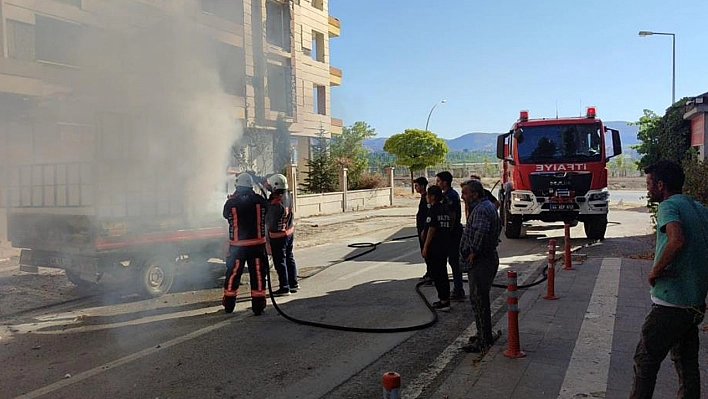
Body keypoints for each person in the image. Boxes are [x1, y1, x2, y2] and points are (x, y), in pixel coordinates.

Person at [629, 160, 708, 399]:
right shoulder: (699, 208)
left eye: (649, 183)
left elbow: (676, 239)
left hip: (670, 303)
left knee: (645, 361)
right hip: (694, 302)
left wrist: (655, 271)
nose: (648, 189)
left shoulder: (668, 206)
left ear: (661, 185)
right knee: (687, 364)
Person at [459, 179, 502, 353]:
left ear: (475, 194)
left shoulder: (481, 210)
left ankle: (483, 341)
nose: (463, 197)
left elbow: (481, 232)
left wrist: (473, 252)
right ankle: (484, 334)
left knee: (479, 301)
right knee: (480, 300)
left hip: (481, 262)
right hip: (485, 259)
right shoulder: (485, 206)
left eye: (465, 193)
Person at [222, 173, 270, 315]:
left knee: (233, 275)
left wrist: (232, 199)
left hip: (238, 247)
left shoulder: (231, 203)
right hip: (257, 246)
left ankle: (229, 305)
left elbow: (226, 215)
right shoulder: (260, 201)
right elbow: (267, 211)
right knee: (258, 275)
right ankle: (258, 306)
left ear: (237, 186)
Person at [266, 173, 299, 296]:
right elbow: (274, 189)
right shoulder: (288, 195)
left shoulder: (275, 204)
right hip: (289, 233)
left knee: (280, 261)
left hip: (278, 236)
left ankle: (284, 288)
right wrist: (261, 181)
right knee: (289, 257)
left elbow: (268, 218)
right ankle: (293, 283)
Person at [435, 171, 465, 301]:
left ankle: (458, 290)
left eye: (439, 181)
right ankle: (458, 289)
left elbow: (452, 216)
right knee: (452, 261)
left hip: (453, 233)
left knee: (454, 261)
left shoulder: (451, 196)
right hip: (451, 232)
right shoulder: (447, 195)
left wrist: (448, 232)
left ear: (445, 182)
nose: (437, 183)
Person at [421, 185, 452, 311]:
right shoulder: (446, 208)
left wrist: (425, 247)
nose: (427, 197)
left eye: (428, 195)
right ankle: (445, 298)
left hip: (435, 247)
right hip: (444, 245)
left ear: (433, 196)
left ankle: (444, 300)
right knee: (442, 272)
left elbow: (432, 229)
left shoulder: (434, 209)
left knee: (438, 274)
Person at [413, 176, 430, 280]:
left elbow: (428, 216)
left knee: (427, 251)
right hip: (421, 229)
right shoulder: (424, 197)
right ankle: (429, 272)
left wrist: (425, 230)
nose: (415, 188)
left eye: (417, 186)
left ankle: (431, 274)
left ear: (422, 186)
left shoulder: (426, 198)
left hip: (424, 230)